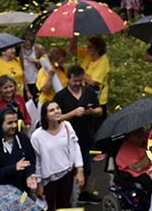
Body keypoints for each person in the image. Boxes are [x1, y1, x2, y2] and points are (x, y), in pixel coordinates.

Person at [54, 65, 102, 201]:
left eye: (80, 80)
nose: (78, 83)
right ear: (68, 79)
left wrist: (90, 111)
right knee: (68, 170)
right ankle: (66, 195)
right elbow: (56, 118)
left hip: (87, 137)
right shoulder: (60, 96)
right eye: (75, 81)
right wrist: (73, 113)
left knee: (87, 168)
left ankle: (83, 192)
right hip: (66, 140)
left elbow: (99, 111)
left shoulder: (89, 92)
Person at [31, 100, 85, 210]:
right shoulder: (37, 136)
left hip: (66, 174)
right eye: (52, 110)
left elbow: (75, 147)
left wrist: (80, 170)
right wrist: (38, 183)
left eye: (58, 108)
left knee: (65, 205)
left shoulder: (67, 126)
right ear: (45, 115)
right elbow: (36, 161)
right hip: (48, 180)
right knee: (49, 207)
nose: (57, 111)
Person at [0, 108, 38, 193]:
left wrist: (30, 175)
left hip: (23, 192)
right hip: (0, 195)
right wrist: (13, 168)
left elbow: (30, 161)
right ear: (0, 124)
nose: (14, 125)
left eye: (15, 122)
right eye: (10, 123)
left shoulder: (23, 139)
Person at [77, 36, 110, 108]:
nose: (87, 48)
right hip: (85, 95)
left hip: (97, 101)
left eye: (90, 47)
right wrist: (75, 36)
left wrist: (79, 71)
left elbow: (92, 82)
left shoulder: (103, 62)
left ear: (97, 49)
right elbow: (72, 49)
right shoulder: (89, 54)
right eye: (87, 46)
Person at [20, 34, 41, 102]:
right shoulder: (19, 51)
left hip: (36, 80)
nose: (28, 47)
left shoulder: (37, 49)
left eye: (30, 45)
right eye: (26, 45)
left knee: (36, 100)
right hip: (24, 81)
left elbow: (45, 62)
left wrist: (36, 61)